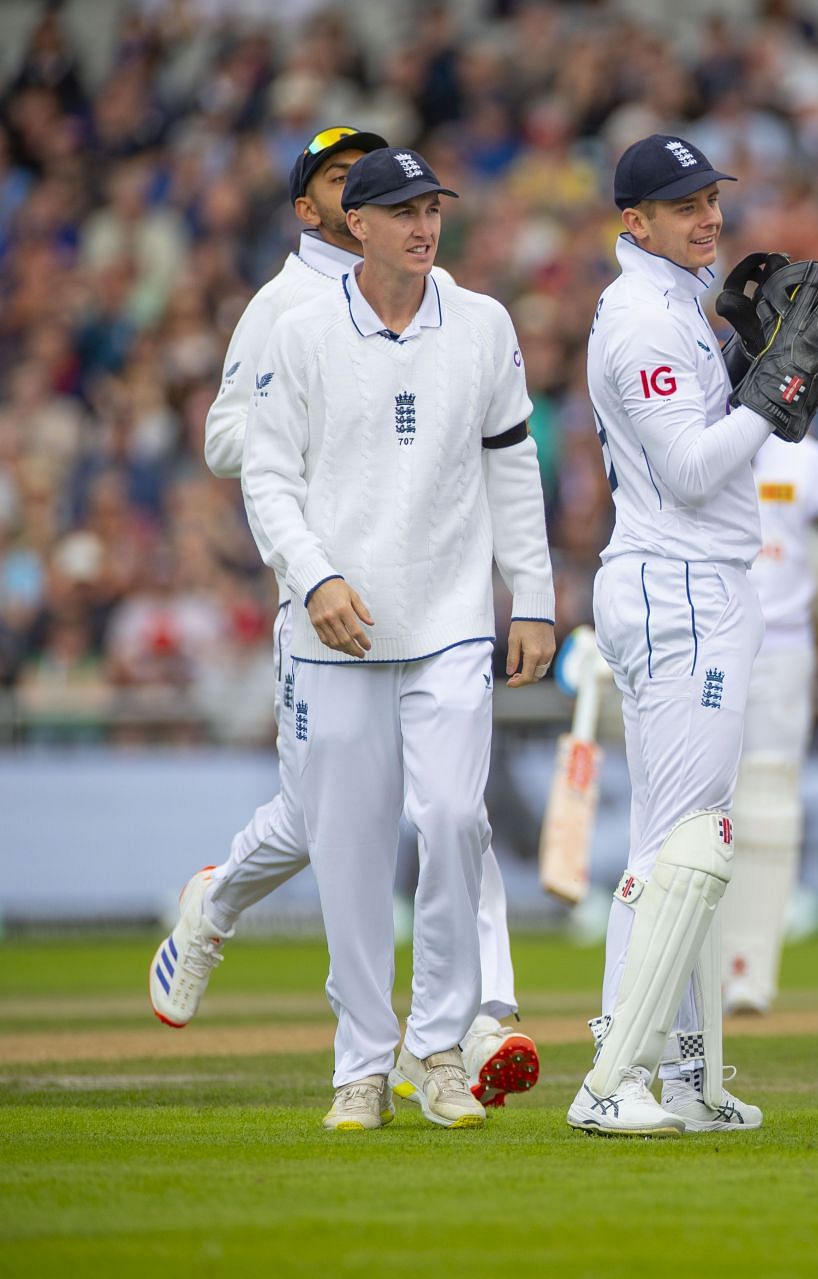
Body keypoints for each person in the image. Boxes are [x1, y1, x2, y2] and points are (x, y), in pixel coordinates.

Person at [149, 125, 540, 1113]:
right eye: (398, 209)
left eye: (432, 208)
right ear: (343, 218)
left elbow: (512, 463)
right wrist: (316, 575)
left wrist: (529, 593)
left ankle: (444, 1044)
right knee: (348, 848)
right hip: (334, 627)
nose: (423, 225)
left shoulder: (484, 322)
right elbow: (251, 459)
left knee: (454, 820)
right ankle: (364, 1060)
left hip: (449, 617)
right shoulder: (291, 318)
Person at [570, 134, 818, 1137]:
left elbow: (699, 438)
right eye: (683, 205)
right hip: (681, 585)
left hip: (695, 582)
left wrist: (745, 358)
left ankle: (687, 1074)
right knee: (678, 846)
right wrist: (777, 387)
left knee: (689, 842)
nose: (708, 218)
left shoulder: (676, 311)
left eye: (711, 199)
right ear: (634, 223)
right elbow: (696, 470)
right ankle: (616, 1075)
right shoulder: (642, 322)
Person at [719, 434, 818, 1015]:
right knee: (707, 807)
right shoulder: (696, 438)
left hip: (783, 647)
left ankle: (748, 973)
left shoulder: (802, 456)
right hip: (710, 639)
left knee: (769, 804)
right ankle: (697, 968)